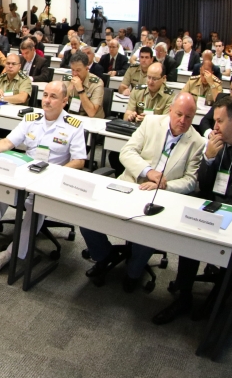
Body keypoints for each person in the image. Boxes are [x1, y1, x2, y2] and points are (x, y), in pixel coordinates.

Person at [153, 97, 232, 325]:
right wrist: (208, 158)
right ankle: (184, 295)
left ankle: (219, 298)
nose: (215, 126)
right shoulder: (214, 144)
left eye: (219, 121)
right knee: (189, 236)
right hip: (214, 209)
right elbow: (205, 185)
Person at [0, 81, 86, 273]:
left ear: (65, 101)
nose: (46, 100)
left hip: (50, 177)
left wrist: (56, 173)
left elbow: (79, 161)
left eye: (53, 97)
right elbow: (8, 142)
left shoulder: (74, 125)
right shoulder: (32, 117)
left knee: (35, 205)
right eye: (45, 95)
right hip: (25, 171)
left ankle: (10, 253)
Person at [82, 93, 204, 291]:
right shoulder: (151, 122)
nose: (182, 121)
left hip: (161, 195)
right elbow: (127, 152)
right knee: (88, 216)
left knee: (148, 230)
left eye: (188, 117)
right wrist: (149, 172)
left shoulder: (196, 142)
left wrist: (163, 185)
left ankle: (133, 272)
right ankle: (104, 256)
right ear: (170, 110)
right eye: (179, 114)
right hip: (131, 183)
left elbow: (190, 181)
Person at [64, 52, 104, 118]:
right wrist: (68, 90)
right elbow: (58, 106)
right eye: (72, 70)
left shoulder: (97, 83)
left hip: (93, 121)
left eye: (78, 70)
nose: (74, 74)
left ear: (87, 69)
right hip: (73, 118)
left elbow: (91, 113)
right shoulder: (67, 79)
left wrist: (80, 90)